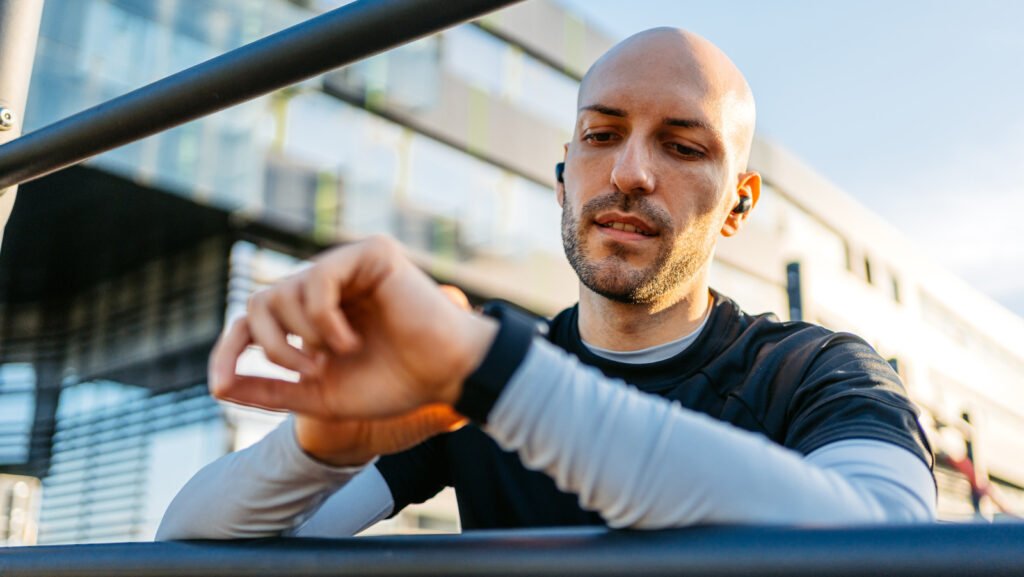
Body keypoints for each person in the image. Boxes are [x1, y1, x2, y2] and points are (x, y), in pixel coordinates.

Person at [157, 28, 935, 539]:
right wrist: (316, 449)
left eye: (684, 146)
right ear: (562, 181)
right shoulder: (463, 378)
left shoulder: (816, 369)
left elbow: (897, 544)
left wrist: (492, 376)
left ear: (740, 203)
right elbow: (186, 541)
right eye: (601, 136)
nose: (630, 173)